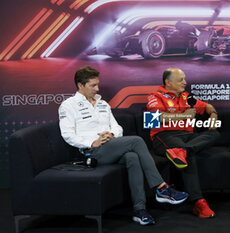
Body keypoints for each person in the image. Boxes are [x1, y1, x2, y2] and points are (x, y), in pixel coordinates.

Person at [58, 66, 188, 226]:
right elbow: (68, 135)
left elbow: (117, 127)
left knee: (132, 157)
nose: (97, 88)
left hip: (111, 147)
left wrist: (111, 135)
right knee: (136, 141)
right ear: (80, 85)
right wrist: (92, 142)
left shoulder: (103, 103)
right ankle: (161, 188)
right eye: (93, 85)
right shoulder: (68, 105)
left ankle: (139, 211)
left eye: (97, 84)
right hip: (91, 153)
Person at [146, 68, 221, 218]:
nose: (185, 83)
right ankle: (199, 202)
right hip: (165, 136)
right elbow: (153, 119)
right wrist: (183, 116)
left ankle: (184, 151)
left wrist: (213, 115)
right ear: (168, 82)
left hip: (187, 137)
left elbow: (207, 106)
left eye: (184, 79)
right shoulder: (155, 95)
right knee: (188, 156)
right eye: (181, 80)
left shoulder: (187, 97)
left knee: (214, 133)